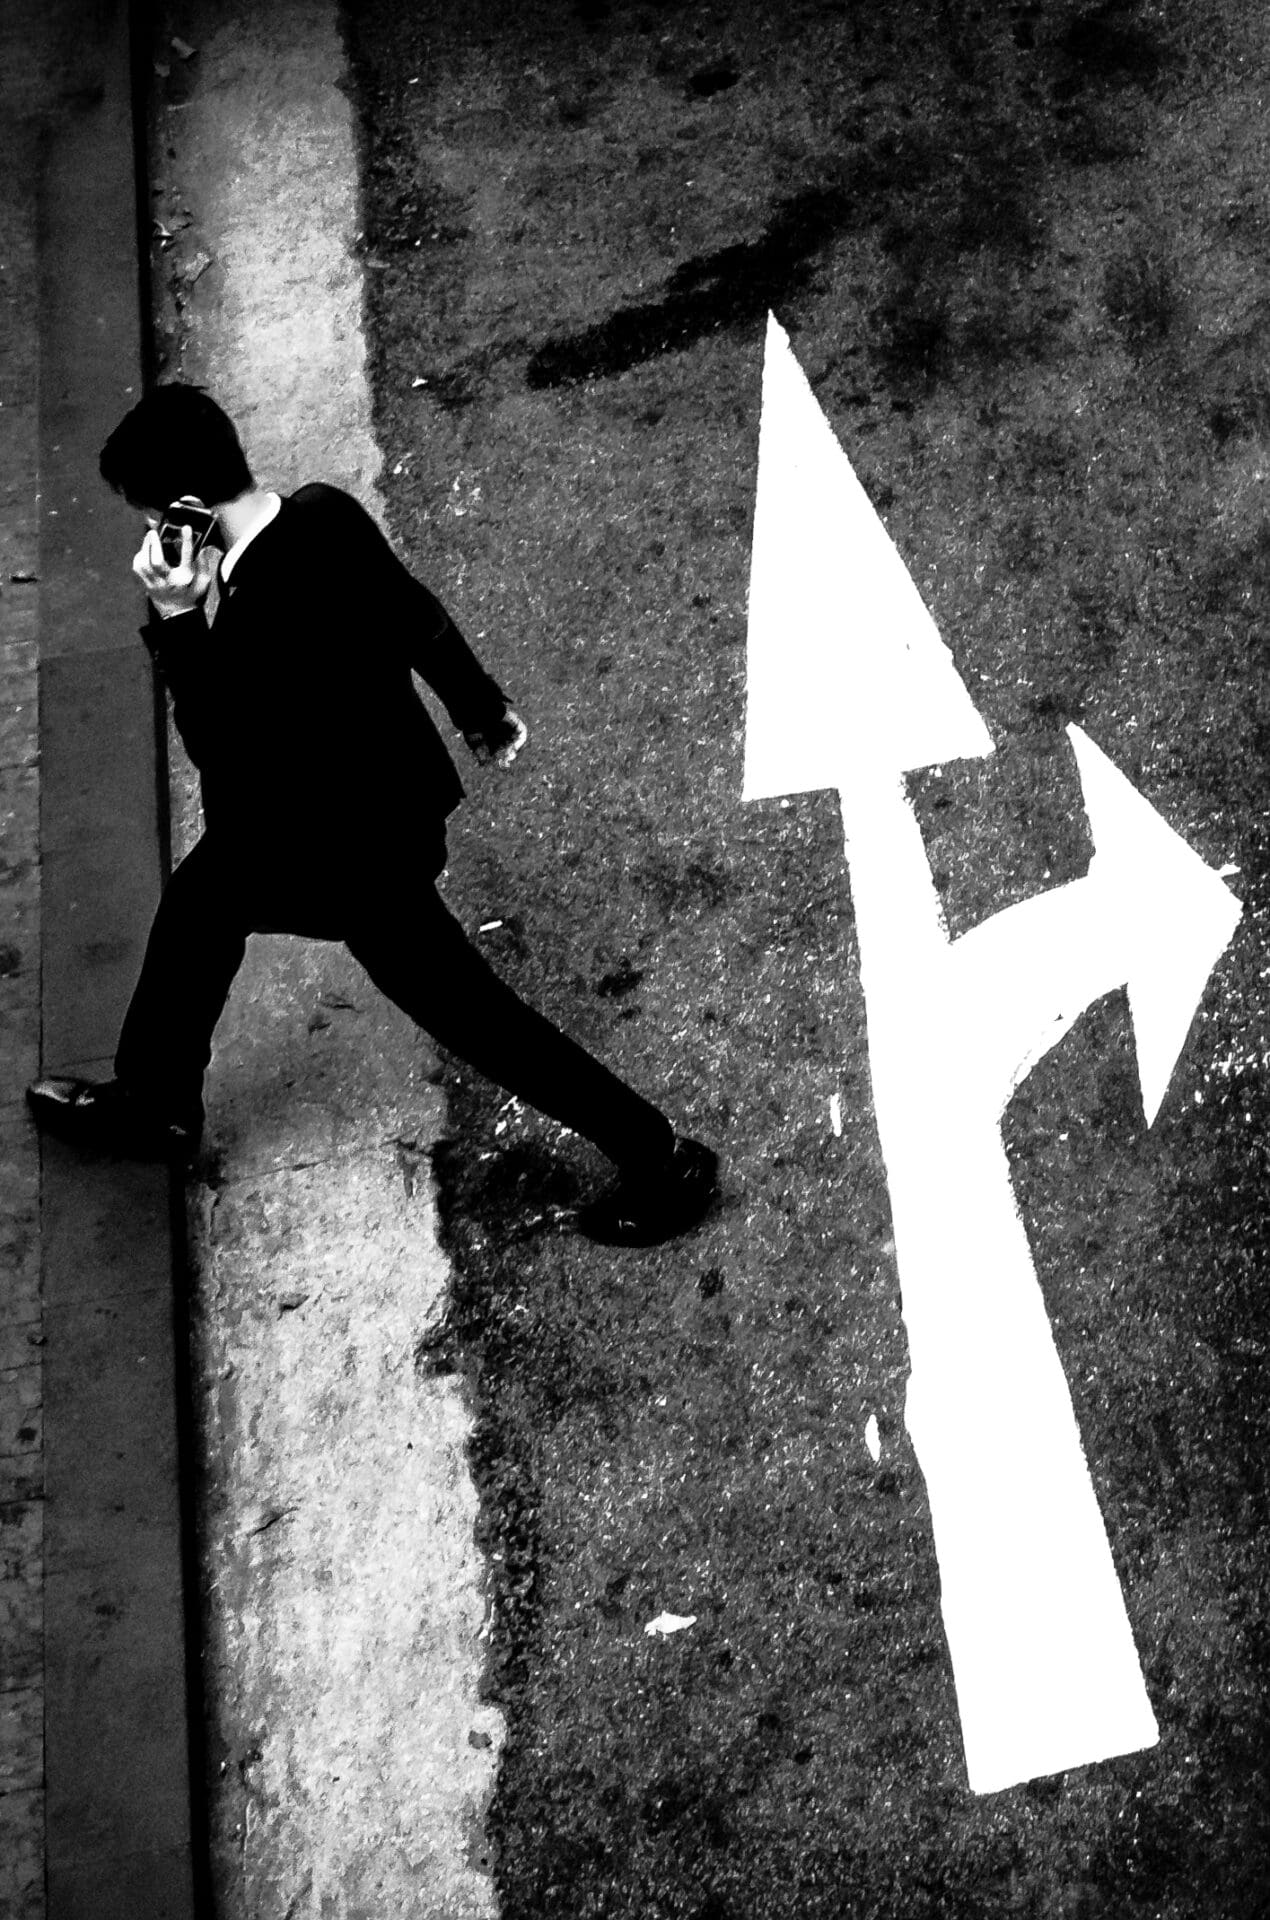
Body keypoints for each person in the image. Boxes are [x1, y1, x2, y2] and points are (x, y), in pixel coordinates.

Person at [26, 384, 717, 1247]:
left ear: (188, 512)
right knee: (201, 902)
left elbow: (228, 758)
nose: (145, 537)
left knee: (480, 1021)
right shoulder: (324, 512)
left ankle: (663, 1160)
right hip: (375, 807)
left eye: (147, 517)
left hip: (343, 856)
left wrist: (175, 619)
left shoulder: (256, 618)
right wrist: (478, 708)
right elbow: (416, 614)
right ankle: (156, 1100)